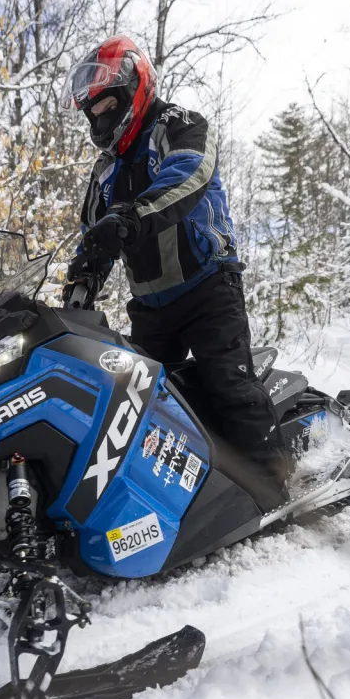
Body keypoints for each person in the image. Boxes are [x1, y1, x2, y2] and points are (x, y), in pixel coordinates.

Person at [61, 35, 288, 511]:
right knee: (131, 405)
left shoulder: (178, 125)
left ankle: (274, 488)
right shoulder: (104, 171)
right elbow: (93, 236)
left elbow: (187, 175)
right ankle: (158, 497)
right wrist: (81, 282)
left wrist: (129, 218)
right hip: (151, 305)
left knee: (228, 383)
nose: (101, 117)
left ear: (134, 89)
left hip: (208, 287)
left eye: (108, 105)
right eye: (93, 110)